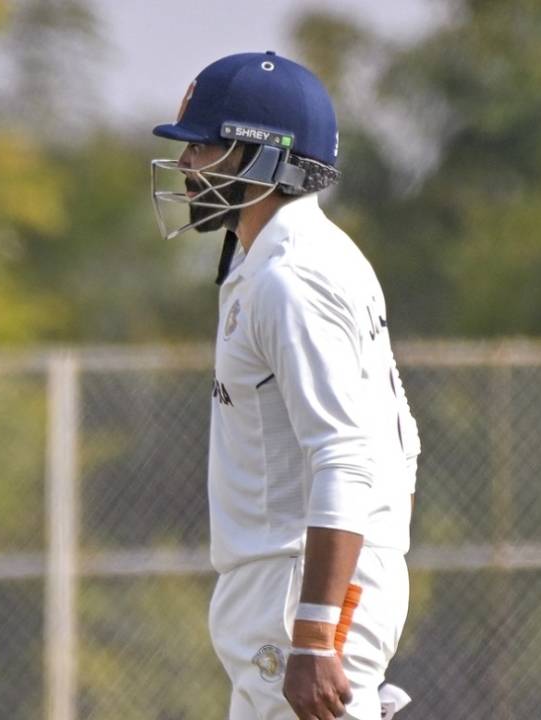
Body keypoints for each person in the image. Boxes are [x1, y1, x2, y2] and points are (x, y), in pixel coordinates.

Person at [150, 52, 419, 720]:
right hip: (290, 587)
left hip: (297, 587)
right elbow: (398, 443)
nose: (187, 166)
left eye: (204, 146)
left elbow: (346, 455)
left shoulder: (290, 279)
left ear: (263, 157)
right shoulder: (277, 261)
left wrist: (318, 631)